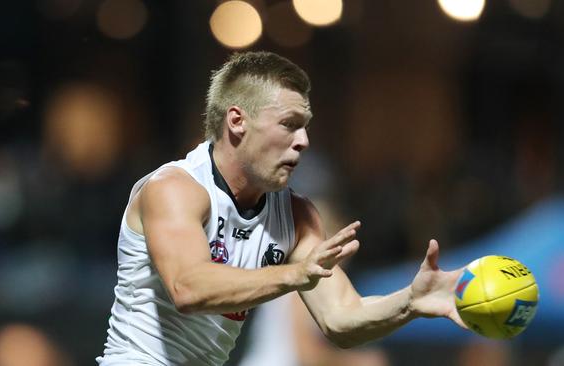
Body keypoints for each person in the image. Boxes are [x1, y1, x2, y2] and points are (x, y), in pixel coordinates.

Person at [97, 51, 467, 366]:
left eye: (305, 127)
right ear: (237, 121)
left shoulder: (297, 215)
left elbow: (341, 318)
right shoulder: (175, 189)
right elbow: (189, 288)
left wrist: (411, 302)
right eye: (289, 125)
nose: (303, 141)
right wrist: (293, 274)